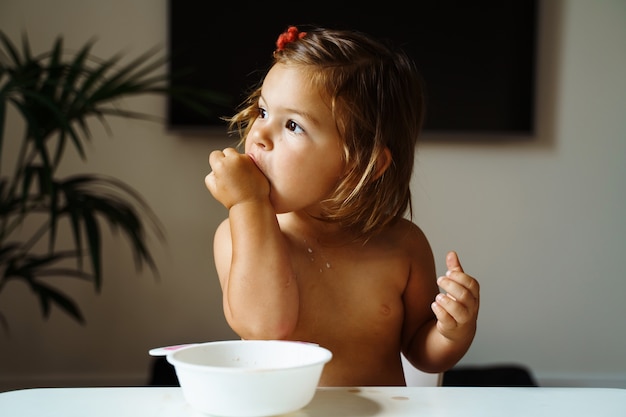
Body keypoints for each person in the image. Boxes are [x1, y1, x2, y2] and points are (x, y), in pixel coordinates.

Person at [205, 25, 480, 387]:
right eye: (262, 111)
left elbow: (421, 352)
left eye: (292, 125)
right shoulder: (240, 234)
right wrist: (245, 204)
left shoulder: (403, 246)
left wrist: (452, 333)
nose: (259, 134)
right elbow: (265, 328)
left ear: (359, 165)